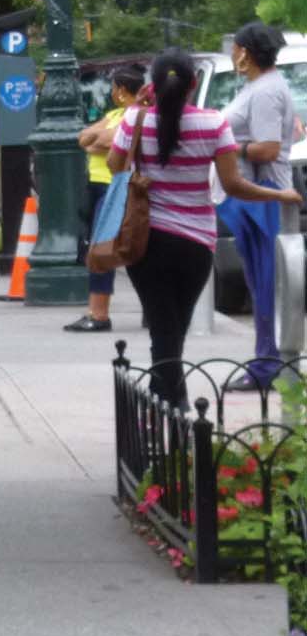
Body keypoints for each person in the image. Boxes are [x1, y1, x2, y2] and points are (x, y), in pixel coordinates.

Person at [108, 49, 302, 408]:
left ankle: (168, 406)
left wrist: (138, 110)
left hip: (146, 242)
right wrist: (279, 194)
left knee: (165, 330)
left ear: (152, 85)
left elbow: (114, 165)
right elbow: (233, 185)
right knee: (173, 330)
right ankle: (172, 405)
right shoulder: (213, 123)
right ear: (193, 84)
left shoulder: (136, 120)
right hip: (195, 244)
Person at [218, 23, 301, 389]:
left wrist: (228, 148)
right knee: (259, 281)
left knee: (268, 283)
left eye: (235, 48)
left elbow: (267, 148)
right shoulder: (258, 88)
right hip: (253, 194)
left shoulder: (266, 92)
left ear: (246, 52)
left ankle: (270, 366)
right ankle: (266, 360)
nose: (233, 53)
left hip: (265, 194)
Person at [68, 64, 144, 333]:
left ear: (122, 90)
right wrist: (100, 139)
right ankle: (100, 310)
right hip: (98, 186)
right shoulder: (114, 114)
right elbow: (85, 139)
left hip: (117, 187)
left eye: (113, 88)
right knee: (104, 248)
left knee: (103, 250)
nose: (111, 93)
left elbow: (106, 141)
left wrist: (99, 139)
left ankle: (99, 314)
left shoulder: (137, 116)